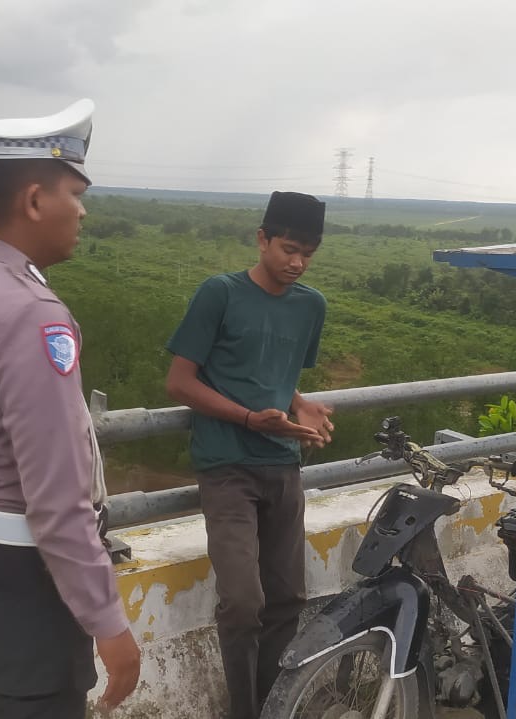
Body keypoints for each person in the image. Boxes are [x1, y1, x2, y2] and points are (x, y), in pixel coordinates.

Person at [0, 99, 140, 718]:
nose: (83, 211)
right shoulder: (31, 313)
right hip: (29, 579)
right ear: (35, 200)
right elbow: (57, 496)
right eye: (75, 193)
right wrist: (108, 622)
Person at [165, 191, 334, 719]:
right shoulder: (220, 293)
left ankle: (270, 708)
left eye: (308, 253)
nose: (297, 262)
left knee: (288, 600)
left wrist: (299, 403)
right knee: (243, 603)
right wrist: (245, 418)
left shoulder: (310, 305)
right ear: (262, 239)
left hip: (283, 464)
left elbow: (276, 372)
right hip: (227, 466)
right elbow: (179, 381)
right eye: (288, 249)